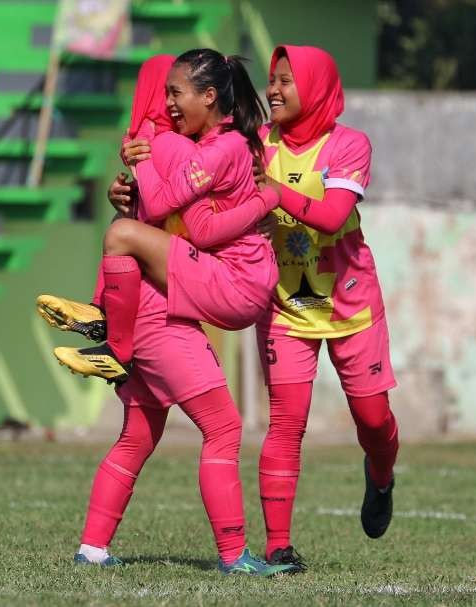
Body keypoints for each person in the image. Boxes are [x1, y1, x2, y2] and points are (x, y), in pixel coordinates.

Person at [40, 51, 294, 577]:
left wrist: (137, 176)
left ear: (206, 97)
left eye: (176, 93)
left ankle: (91, 549)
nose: (169, 103)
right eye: (167, 93)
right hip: (161, 315)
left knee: (138, 434)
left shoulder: (185, 146)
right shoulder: (173, 144)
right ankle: (234, 557)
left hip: (157, 305)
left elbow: (173, 208)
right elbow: (168, 218)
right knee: (223, 428)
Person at [253, 46, 400, 567]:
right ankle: (277, 547)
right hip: (287, 310)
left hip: (351, 308)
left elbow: (334, 217)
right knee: (285, 424)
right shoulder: (254, 143)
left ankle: (380, 476)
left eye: (286, 81)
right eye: (271, 80)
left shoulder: (349, 144)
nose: (273, 90)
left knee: (374, 419)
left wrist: (269, 191)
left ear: (315, 87)